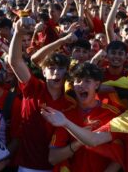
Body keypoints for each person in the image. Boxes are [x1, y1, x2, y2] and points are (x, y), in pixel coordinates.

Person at [8, 17, 77, 171]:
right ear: (43, 72)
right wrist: (18, 33)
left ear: (66, 72)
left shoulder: (71, 102)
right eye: (51, 68)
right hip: (28, 167)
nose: (56, 73)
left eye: (60, 69)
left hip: (58, 167)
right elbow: (15, 61)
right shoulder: (33, 87)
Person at [48, 62, 121, 172]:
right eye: (77, 81)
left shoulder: (112, 114)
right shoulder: (65, 116)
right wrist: (79, 142)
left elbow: (119, 157)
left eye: (87, 81)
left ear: (96, 84)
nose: (81, 85)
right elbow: (53, 158)